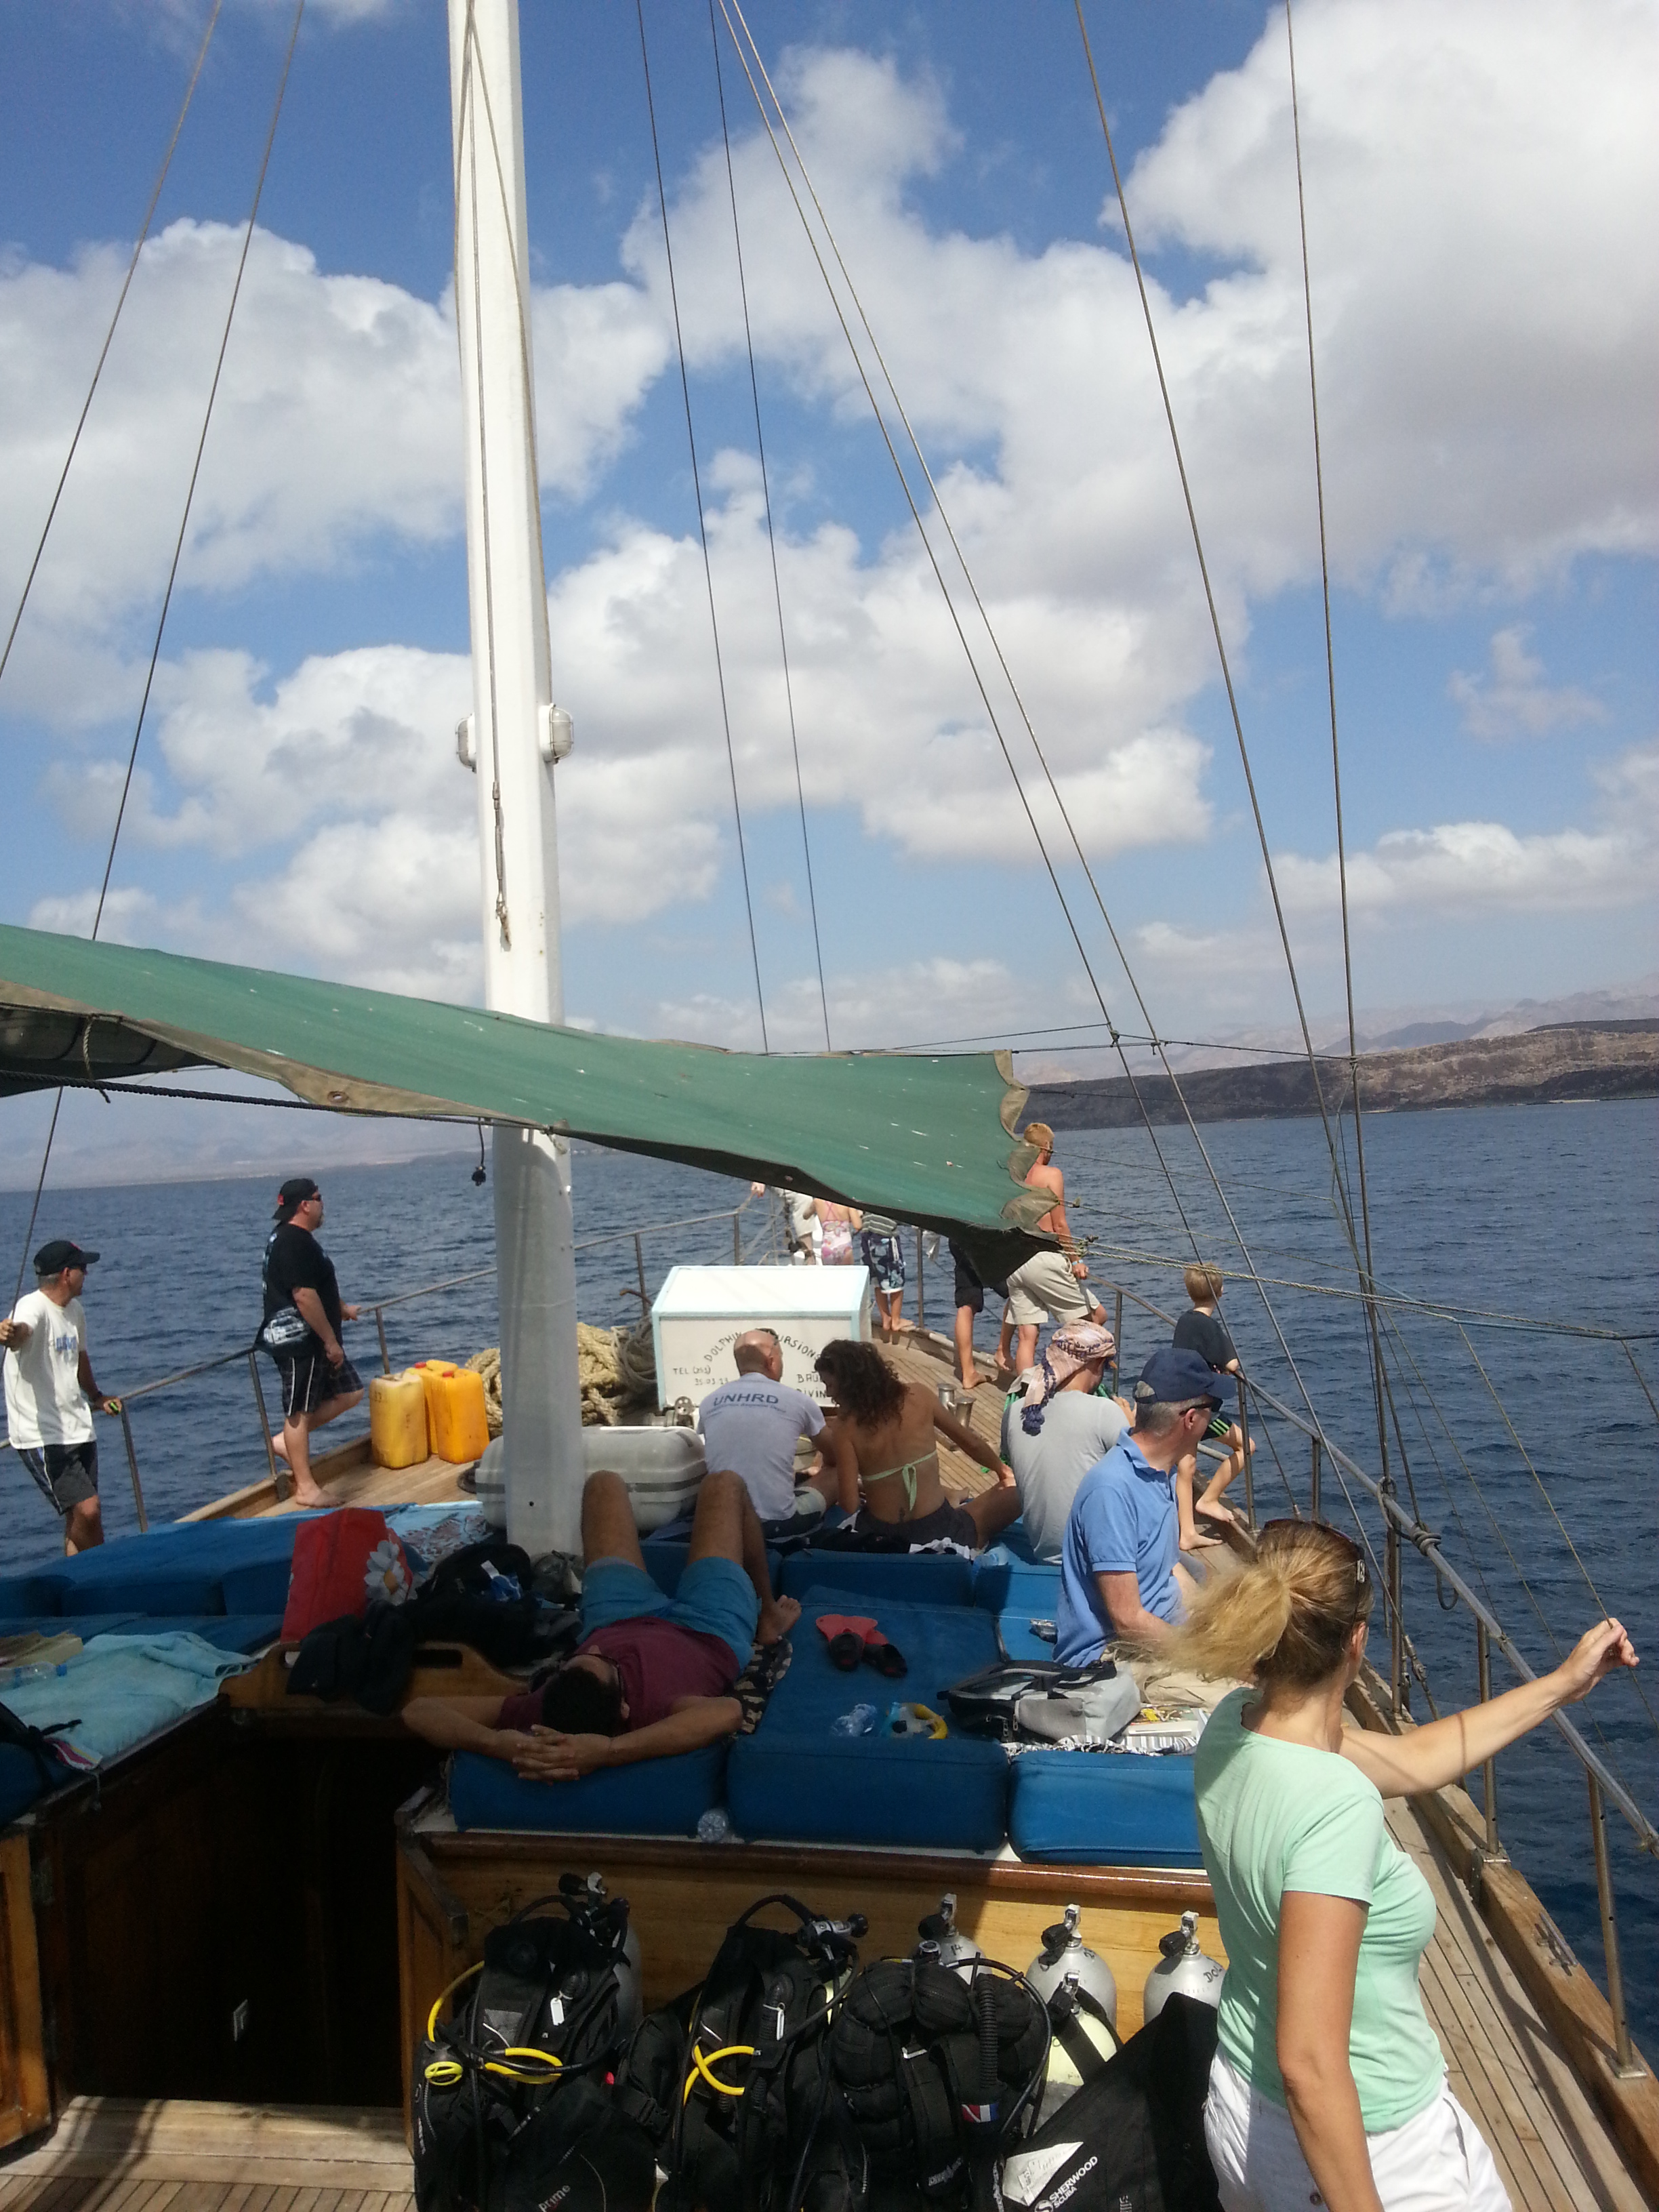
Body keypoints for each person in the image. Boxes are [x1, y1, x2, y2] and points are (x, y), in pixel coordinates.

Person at [1167, 1518, 1638, 2212]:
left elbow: (1416, 1760)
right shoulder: (1335, 1805)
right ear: (1357, 1641)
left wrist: (1562, 1685)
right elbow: (1309, 2065)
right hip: (1368, 2144)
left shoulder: (1234, 1725)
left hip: (1240, 2100)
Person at [402, 1467, 800, 1779]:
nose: (592, 1649)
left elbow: (419, 1710)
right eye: (605, 1662)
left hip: (617, 1616)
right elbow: (728, 1713)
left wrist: (500, 1745)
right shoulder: (656, 1710)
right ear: (624, 1708)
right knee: (724, 1484)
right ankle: (768, 1614)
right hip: (707, 1630)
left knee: (602, 1485)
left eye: (578, 1657)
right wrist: (609, 1752)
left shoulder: (542, 1707)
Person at [1054, 1346, 1230, 1663]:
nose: (1213, 1418)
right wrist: (1202, 1655)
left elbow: (1169, 1570)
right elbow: (1128, 1620)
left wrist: (1209, 1629)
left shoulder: (1159, 1473)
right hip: (1112, 1657)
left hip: (1158, 1641)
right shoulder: (1112, 1491)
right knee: (1242, 1691)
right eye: (1212, 1409)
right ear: (1191, 1419)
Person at [813, 1338, 1021, 1553]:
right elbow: (972, 1443)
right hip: (938, 1528)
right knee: (1016, 1491)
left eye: (830, 1385)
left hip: (885, 1536)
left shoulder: (845, 1429)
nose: (828, 1394)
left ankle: (952, 1498)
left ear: (849, 1385)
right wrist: (1002, 1470)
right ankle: (958, 1509)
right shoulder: (919, 1396)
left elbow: (849, 1505)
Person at [1, 1239, 119, 1554]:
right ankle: (107, 1569)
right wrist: (10, 1334)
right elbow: (22, 1331)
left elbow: (81, 1359)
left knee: (77, 1516)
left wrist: (96, 1396)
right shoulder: (32, 1307)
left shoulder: (75, 1311)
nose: (86, 1274)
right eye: (82, 1268)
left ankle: (76, 1577)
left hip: (78, 1427)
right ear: (67, 1274)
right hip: (44, 1436)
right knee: (88, 1511)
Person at [260, 1177, 363, 1509]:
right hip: (300, 1343)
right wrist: (331, 1341)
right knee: (299, 1414)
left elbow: (316, 1284)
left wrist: (341, 1308)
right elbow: (303, 1295)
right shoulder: (292, 1241)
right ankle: (305, 1488)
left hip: (314, 1340)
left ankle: (286, 1442)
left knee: (351, 1392)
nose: (323, 1204)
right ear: (305, 1205)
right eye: (319, 1198)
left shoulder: (297, 1240)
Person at [697, 1328, 857, 1525]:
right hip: (777, 1523)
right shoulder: (799, 1401)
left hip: (724, 1521)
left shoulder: (709, 1402)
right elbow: (836, 1457)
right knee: (837, 1471)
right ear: (771, 1361)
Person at [1000, 1321, 1129, 1562]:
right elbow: (1143, 1480)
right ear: (1096, 1364)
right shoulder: (1105, 1412)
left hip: (1042, 1552)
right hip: (1097, 1559)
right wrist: (1133, 1429)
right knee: (1193, 1569)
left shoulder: (1015, 1411)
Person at [1001, 1124, 1106, 1372]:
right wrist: (1076, 1260)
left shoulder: (1012, 1174)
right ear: (1045, 1147)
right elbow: (1059, 1224)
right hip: (1043, 1257)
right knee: (1096, 1317)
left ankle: (1026, 1390)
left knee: (1027, 1336)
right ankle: (1066, 1375)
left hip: (1015, 1261)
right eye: (1052, 1148)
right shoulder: (1052, 1175)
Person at [1174, 1263, 1252, 1540]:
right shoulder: (1210, 1326)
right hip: (1202, 1410)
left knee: (1186, 1466)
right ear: (1219, 1293)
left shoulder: (1184, 1321)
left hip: (1180, 1403)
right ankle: (1208, 1499)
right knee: (1246, 1447)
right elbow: (1231, 1364)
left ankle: (1187, 1532)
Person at [949, 1237, 1009, 1392]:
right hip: (982, 1240)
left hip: (958, 1237)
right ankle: (1003, 1351)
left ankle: (968, 1373)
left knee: (966, 1303)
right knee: (1017, 1290)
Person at [858, 1208, 909, 1337]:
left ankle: (886, 1318)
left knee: (877, 1280)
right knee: (896, 1279)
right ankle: (896, 1321)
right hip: (884, 1234)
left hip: (867, 1235)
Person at [814, 1198, 861, 1266]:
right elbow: (858, 1225)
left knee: (831, 1272)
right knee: (848, 1272)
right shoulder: (847, 1202)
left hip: (827, 1247)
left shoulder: (817, 1201)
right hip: (845, 1246)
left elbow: (805, 1215)